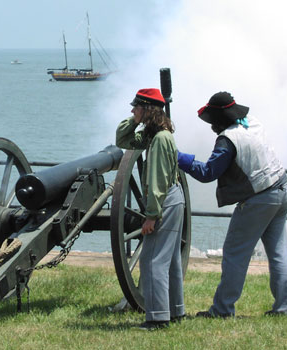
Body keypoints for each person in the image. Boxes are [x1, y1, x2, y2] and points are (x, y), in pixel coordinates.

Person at [177, 91, 287, 318]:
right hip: (281, 187)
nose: (211, 126)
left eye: (213, 121)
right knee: (278, 253)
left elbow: (208, 172)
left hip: (259, 198)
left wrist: (180, 158)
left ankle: (222, 310)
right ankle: (284, 308)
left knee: (234, 254)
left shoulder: (227, 140)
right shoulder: (252, 122)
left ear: (220, 120)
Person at [116, 88, 186, 330]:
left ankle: (158, 318)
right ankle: (176, 311)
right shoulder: (159, 135)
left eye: (137, 107)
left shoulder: (158, 140)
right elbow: (123, 141)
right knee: (172, 259)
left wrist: (151, 216)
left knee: (152, 260)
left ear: (149, 109)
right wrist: (134, 121)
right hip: (174, 198)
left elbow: (156, 181)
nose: (133, 110)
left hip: (164, 201)